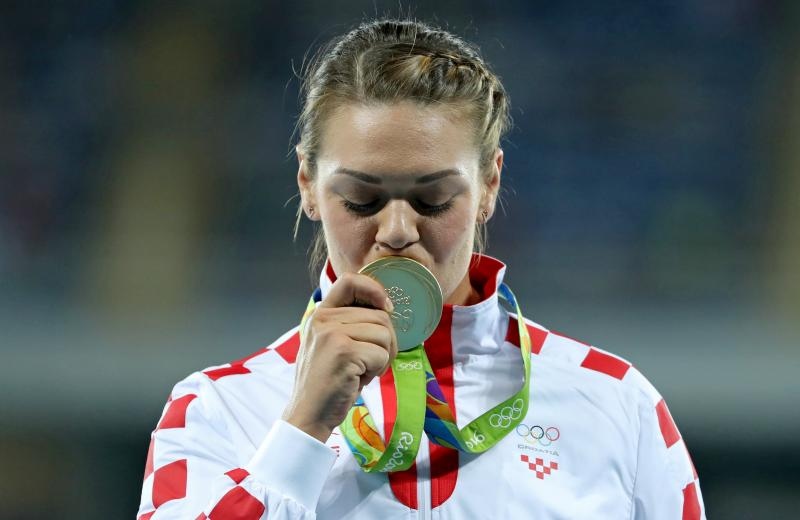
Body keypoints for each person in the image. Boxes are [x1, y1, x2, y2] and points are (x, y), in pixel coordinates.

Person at [137, 18, 705, 519]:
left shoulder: (615, 404)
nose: (397, 230)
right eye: (361, 197)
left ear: (489, 185)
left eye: (434, 199)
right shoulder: (216, 409)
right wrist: (302, 429)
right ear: (308, 184)